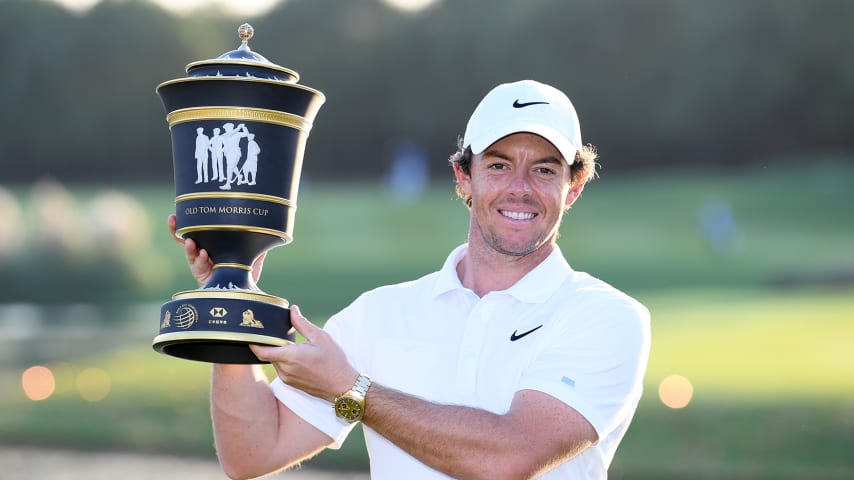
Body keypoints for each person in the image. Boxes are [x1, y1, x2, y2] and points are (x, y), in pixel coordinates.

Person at [169, 79, 650, 479]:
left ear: (574, 187)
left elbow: (510, 455)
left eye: (544, 169)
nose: (520, 188)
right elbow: (253, 452)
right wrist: (230, 302)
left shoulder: (606, 316)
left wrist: (353, 392)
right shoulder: (379, 313)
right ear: (464, 176)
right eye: (499, 165)